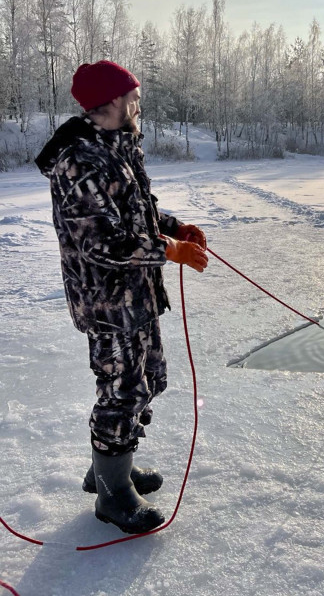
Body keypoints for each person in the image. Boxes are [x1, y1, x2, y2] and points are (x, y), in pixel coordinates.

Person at [35, 59, 208, 535]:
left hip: (138, 292)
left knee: (149, 378)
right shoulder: (79, 160)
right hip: (107, 300)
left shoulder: (117, 146)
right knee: (121, 390)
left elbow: (136, 209)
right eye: (133, 98)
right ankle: (113, 497)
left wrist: (174, 228)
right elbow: (102, 242)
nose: (139, 105)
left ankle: (107, 469)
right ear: (109, 103)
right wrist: (169, 250)